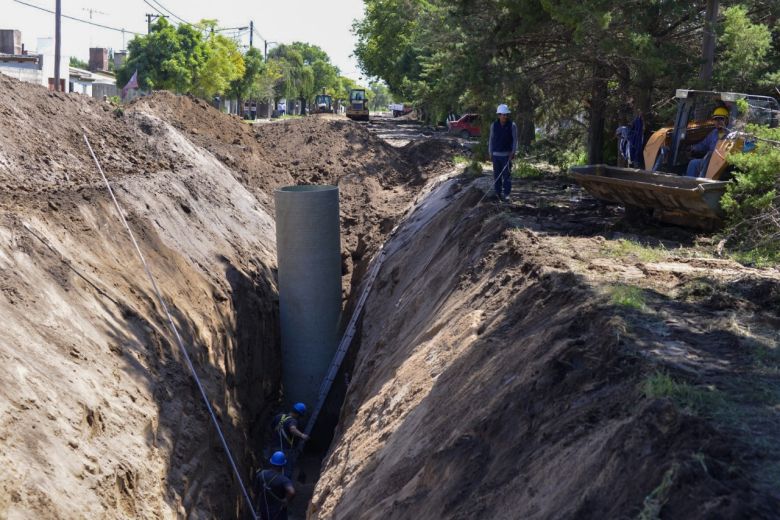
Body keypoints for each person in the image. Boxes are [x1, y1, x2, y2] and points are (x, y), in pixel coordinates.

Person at [686, 106, 730, 178]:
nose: (718, 122)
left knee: (708, 157)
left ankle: (703, 182)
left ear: (727, 120)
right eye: (716, 119)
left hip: (723, 165)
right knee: (693, 163)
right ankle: (688, 183)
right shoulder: (713, 133)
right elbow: (703, 145)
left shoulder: (731, 134)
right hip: (709, 161)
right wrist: (692, 148)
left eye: (721, 119)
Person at [488, 104, 518, 202]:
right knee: (497, 176)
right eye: (503, 114)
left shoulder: (512, 125)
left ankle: (506, 194)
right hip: (496, 155)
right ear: (499, 115)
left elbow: (515, 140)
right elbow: (491, 139)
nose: (505, 116)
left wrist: (513, 152)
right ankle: (498, 193)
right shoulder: (494, 125)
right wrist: (490, 152)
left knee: (507, 176)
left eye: (506, 114)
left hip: (507, 155)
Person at [271, 403, 309, 477]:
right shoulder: (293, 421)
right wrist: (302, 435)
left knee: (274, 466)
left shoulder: (279, 416)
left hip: (273, 447)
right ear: (298, 415)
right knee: (287, 469)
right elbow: (292, 429)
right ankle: (284, 484)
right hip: (285, 449)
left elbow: (272, 427)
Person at [255, 451, 295, 520]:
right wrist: (286, 500)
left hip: (264, 511)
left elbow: (256, 491)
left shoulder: (261, 475)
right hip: (278, 513)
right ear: (283, 465)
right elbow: (291, 492)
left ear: (271, 462)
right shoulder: (283, 480)